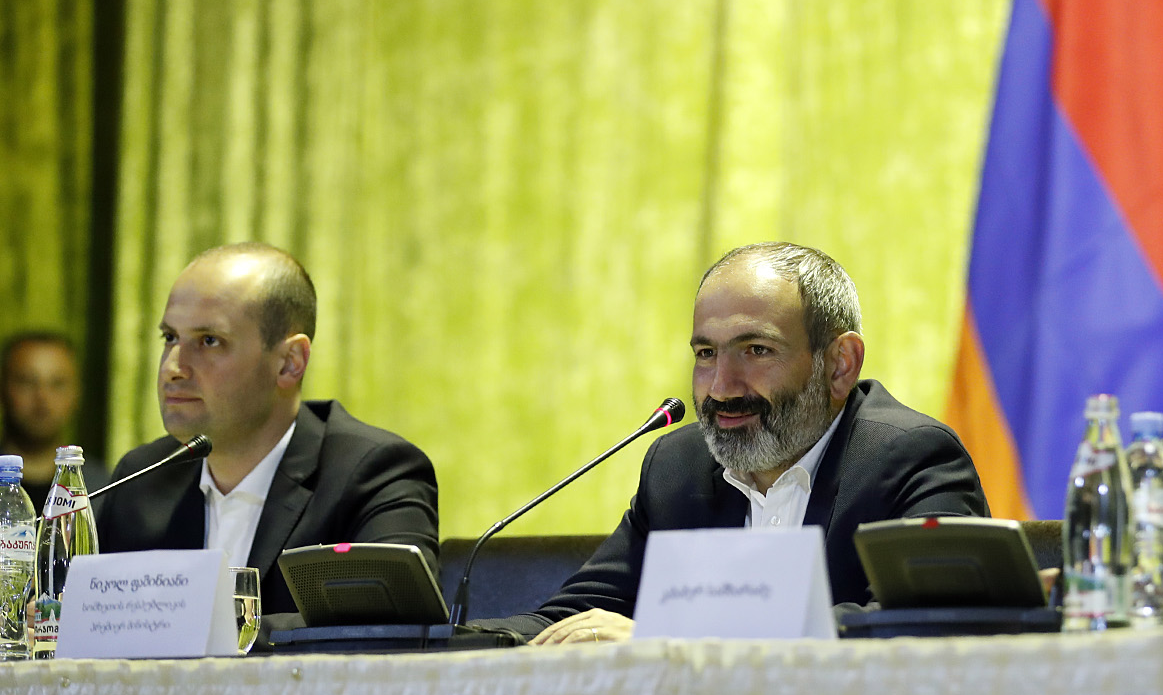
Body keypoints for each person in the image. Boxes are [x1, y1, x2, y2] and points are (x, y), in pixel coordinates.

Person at [499, 242, 989, 645]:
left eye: (756, 350)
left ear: (840, 364)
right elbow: (576, 616)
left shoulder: (912, 458)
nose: (721, 387)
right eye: (706, 354)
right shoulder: (679, 467)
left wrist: (673, 640)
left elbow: (921, 622)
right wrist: (466, 638)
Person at [95, 243, 439, 614]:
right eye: (170, 338)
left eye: (209, 341)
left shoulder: (372, 476)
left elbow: (386, 633)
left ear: (290, 362)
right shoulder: (141, 481)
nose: (172, 368)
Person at [1, 332, 109, 511]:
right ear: (3, 389)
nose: (42, 396)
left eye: (57, 383)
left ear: (77, 393)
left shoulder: (104, 491)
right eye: (27, 381)